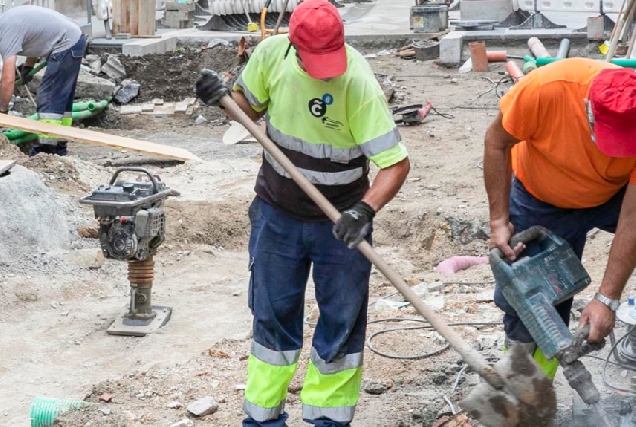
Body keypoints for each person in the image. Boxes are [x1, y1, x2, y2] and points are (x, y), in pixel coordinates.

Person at [195, 0, 410, 425]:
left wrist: (364, 211)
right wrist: (221, 96)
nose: (325, 70)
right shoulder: (270, 56)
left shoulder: (358, 83)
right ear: (293, 46)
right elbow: (247, 108)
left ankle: (327, 419)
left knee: (341, 323)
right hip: (277, 215)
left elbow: (396, 164)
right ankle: (262, 418)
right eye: (315, 61)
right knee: (272, 321)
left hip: (341, 225)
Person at [484, 57, 636, 380]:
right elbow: (496, 142)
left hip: (613, 195)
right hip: (542, 196)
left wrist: (607, 299)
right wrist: (499, 220)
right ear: (588, 109)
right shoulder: (547, 89)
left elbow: (634, 214)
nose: (615, 152)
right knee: (530, 296)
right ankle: (521, 382)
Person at [0, 5, 87, 156]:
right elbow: (37, 38)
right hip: (75, 38)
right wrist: (28, 66)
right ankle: (59, 147)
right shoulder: (8, 20)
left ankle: (46, 151)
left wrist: (2, 109)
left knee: (49, 97)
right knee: (62, 100)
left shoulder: (6, 34)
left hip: (66, 43)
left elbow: (8, 81)